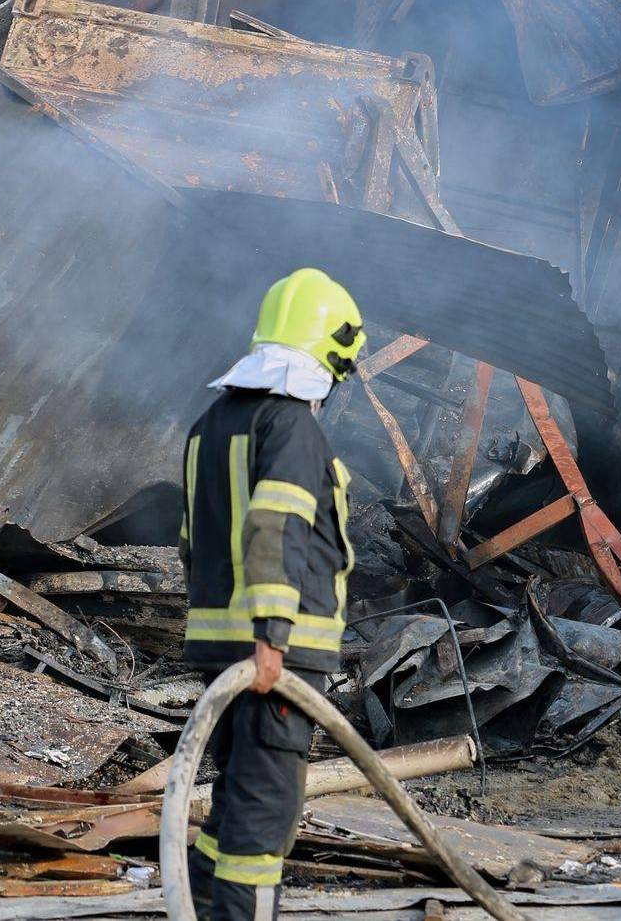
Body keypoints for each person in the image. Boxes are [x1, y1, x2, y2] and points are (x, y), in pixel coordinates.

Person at [180, 268, 365, 921]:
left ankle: (198, 899)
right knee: (264, 818)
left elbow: (191, 540)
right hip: (275, 657)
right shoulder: (291, 426)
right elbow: (276, 525)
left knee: (237, 795)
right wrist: (272, 637)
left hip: (225, 647)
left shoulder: (210, 422)